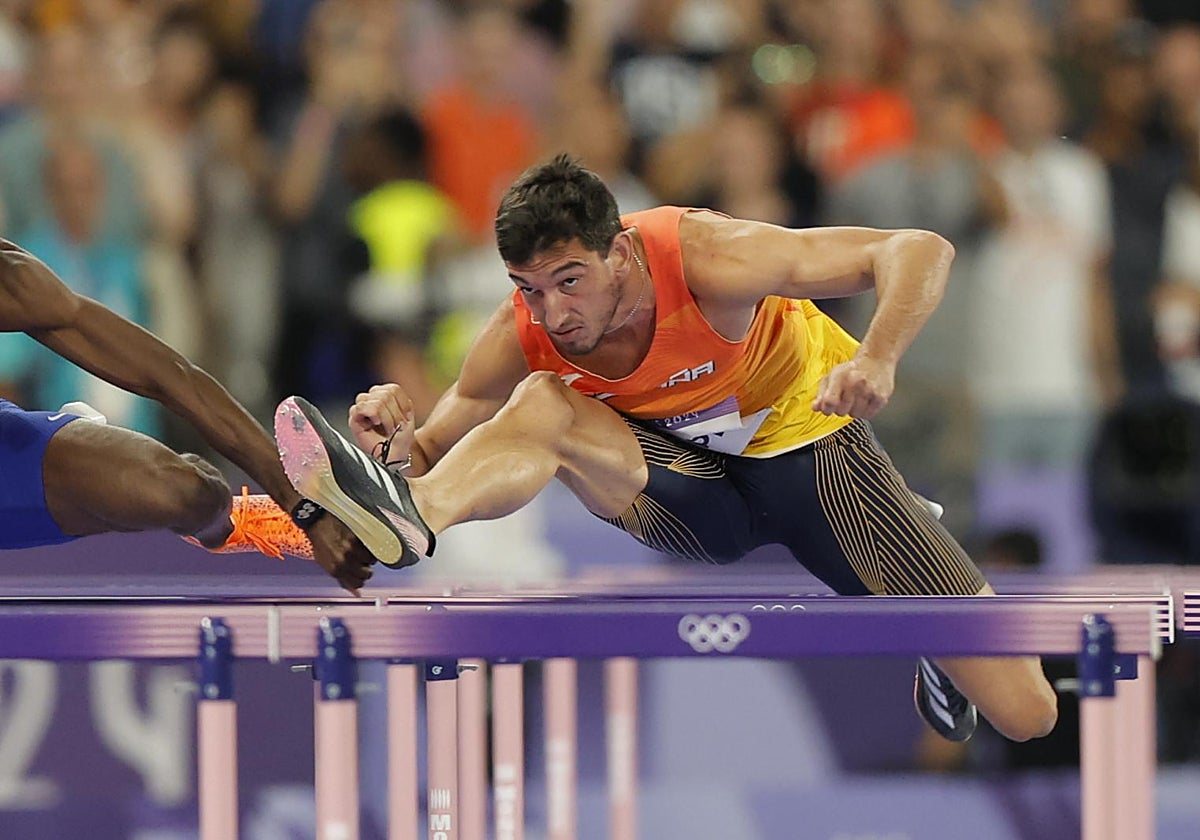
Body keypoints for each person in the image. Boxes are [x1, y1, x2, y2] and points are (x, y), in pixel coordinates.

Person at [274, 154, 1059, 743]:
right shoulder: (525, 331)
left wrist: (877, 357)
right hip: (688, 497)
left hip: (815, 461)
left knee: (1027, 714)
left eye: (570, 281)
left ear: (619, 253)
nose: (551, 313)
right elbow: (442, 445)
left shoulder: (709, 254)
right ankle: (414, 523)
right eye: (528, 287)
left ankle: (926, 641)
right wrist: (399, 448)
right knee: (540, 403)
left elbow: (918, 249)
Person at [0, 237, 375, 593]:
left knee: (177, 489)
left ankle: (231, 521)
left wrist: (301, 506)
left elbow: (170, 376)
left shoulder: (12, 281)